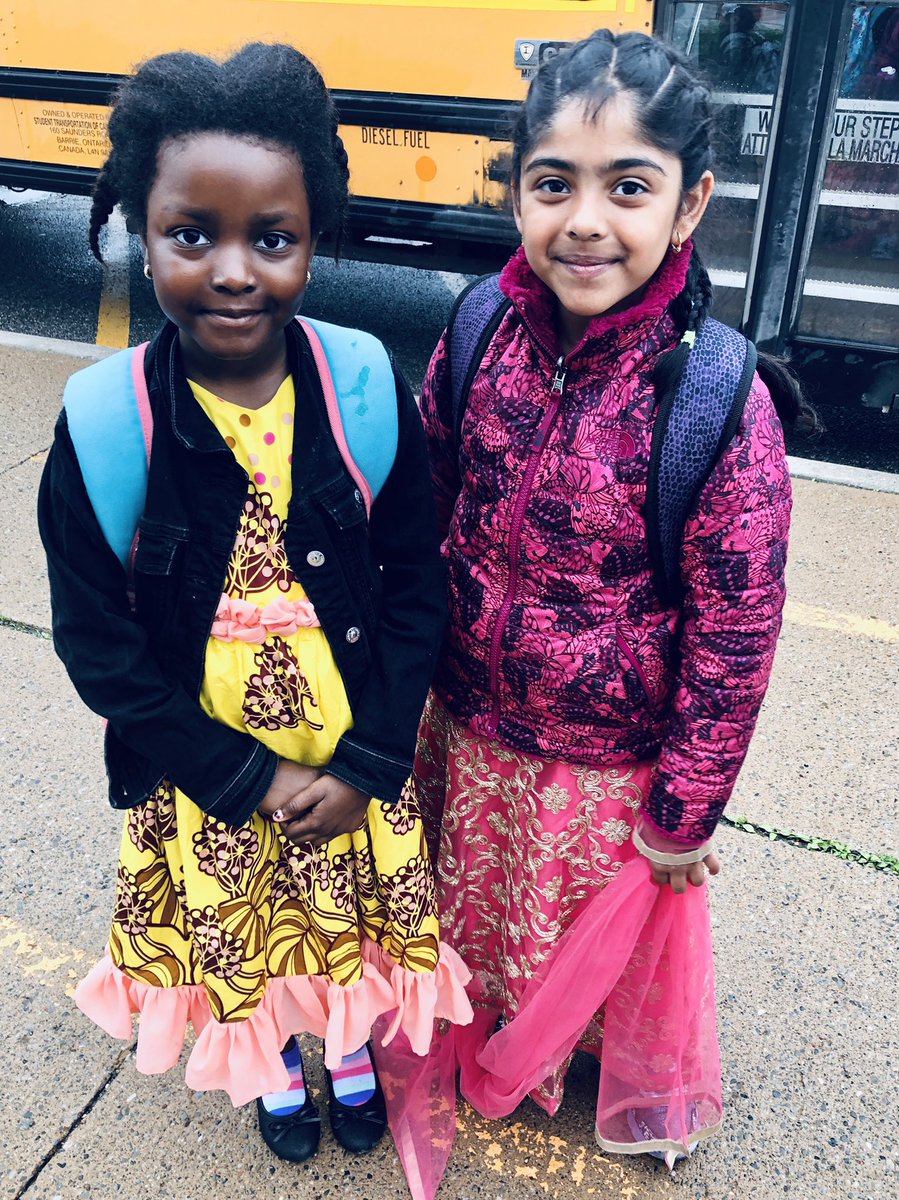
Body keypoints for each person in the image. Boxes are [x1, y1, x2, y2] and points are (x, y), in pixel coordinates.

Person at [37, 43, 470, 1170]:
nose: (233, 271)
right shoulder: (106, 425)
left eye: (270, 239)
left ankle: (348, 1048)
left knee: (346, 921)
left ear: (314, 237)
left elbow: (418, 588)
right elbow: (98, 643)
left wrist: (369, 762)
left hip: (346, 754)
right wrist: (238, 777)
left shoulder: (364, 390)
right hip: (204, 774)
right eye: (192, 235)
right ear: (140, 229)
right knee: (240, 931)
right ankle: (275, 1060)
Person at [414, 27, 809, 1174]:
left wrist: (682, 812)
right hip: (466, 729)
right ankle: (492, 1024)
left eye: (627, 187)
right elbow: (420, 522)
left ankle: (572, 1052)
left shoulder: (714, 401)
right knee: (480, 928)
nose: (584, 220)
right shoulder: (475, 334)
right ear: (516, 195)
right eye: (553, 184)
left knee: (581, 948)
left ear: (689, 207)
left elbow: (735, 632)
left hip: (602, 771)